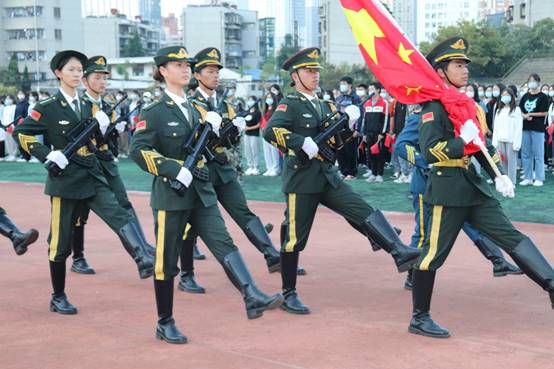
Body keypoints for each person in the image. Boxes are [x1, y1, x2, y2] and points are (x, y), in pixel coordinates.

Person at [129, 46, 282, 344]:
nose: (185, 69)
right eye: (178, 65)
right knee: (166, 261)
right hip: (171, 195)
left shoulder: (198, 108)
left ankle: (251, 295)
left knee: (223, 242)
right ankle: (165, 321)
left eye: (187, 65)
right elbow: (138, 150)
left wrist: (223, 127)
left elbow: (212, 144)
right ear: (163, 71)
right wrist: (172, 169)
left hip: (201, 190)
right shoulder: (155, 111)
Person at [406, 37, 554, 339]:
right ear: (441, 71)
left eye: (464, 65)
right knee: (432, 255)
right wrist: (462, 141)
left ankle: (551, 284)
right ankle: (419, 317)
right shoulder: (433, 106)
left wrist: (499, 174)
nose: (464, 70)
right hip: (446, 191)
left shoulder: (465, 104)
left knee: (512, 237)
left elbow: (480, 148)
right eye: (457, 65)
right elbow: (430, 151)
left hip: (473, 187)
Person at [264, 47, 421, 314]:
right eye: (309, 71)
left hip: (327, 175)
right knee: (294, 238)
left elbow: (336, 142)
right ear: (295, 75)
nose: (314, 75)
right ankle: (288, 293)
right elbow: (271, 131)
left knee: (361, 209)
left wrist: (347, 125)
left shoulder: (324, 104)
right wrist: (301, 142)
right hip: (302, 178)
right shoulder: (289, 103)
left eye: (316, 71)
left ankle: (399, 251)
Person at [13, 50, 155, 315]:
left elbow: (97, 143)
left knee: (117, 212)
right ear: (58, 73)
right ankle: (58, 296)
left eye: (80, 70)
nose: (78, 75)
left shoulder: (89, 106)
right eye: (72, 70)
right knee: (60, 243)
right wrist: (48, 154)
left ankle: (142, 257)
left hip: (91, 172)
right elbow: (22, 133)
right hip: (65, 180)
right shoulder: (48, 107)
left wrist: (104, 129)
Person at [176, 47, 301, 295]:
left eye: (217, 71)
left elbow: (229, 142)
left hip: (222, 169)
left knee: (243, 211)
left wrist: (235, 129)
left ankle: (271, 254)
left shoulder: (225, 104)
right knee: (191, 225)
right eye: (210, 71)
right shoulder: (191, 105)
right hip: (200, 172)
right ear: (198, 75)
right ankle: (186, 275)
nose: (216, 75)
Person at [395, 105, 521, 290]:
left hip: (459, 184)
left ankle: (498, 259)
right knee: (424, 232)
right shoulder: (425, 114)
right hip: (428, 185)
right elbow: (402, 145)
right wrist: (426, 163)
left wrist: (498, 174)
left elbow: (482, 145)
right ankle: (413, 275)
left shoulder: (461, 113)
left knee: (473, 223)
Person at [67, 55, 155, 275]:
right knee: (79, 214)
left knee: (123, 203)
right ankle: (78, 257)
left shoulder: (107, 106)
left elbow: (109, 139)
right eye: (97, 77)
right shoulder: (78, 106)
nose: (102, 82)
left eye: (104, 77)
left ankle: (142, 246)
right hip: (85, 163)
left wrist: (110, 130)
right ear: (85, 81)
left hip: (106, 160)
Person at [519, 73, 549, 187]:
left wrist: (531, 114)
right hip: (525, 127)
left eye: (534, 81)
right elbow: (520, 109)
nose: (532, 83)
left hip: (538, 128)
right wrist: (524, 115)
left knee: (538, 154)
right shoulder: (525, 96)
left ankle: (539, 177)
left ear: (538, 82)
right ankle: (528, 177)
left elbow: (544, 112)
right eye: (530, 80)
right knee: (526, 154)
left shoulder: (543, 97)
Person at [492, 88, 523, 185]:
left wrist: (516, 143)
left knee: (511, 163)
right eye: (503, 95)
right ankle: (504, 182)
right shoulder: (498, 111)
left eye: (507, 95)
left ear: (512, 97)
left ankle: (512, 182)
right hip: (500, 139)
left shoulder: (516, 110)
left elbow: (518, 127)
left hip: (511, 140)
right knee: (502, 162)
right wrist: (495, 142)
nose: (505, 97)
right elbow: (496, 127)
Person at [362, 82, 389, 183]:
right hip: (368, 133)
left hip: (379, 134)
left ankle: (379, 174)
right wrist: (364, 133)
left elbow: (385, 119)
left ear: (378, 90)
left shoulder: (384, 103)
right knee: (370, 153)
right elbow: (365, 119)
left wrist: (382, 133)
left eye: (372, 89)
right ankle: (373, 173)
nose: (370, 91)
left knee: (380, 154)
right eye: (369, 89)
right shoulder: (367, 103)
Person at [335, 76, 360, 179]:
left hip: (351, 130)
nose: (342, 86)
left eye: (344, 83)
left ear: (350, 85)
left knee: (351, 152)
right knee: (341, 151)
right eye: (341, 84)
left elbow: (360, 114)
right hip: (340, 129)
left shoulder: (355, 98)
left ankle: (352, 172)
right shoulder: (339, 98)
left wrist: (357, 130)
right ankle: (343, 171)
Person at [261, 91, 281, 176]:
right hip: (264, 131)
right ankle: (269, 168)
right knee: (267, 151)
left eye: (270, 97)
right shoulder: (264, 109)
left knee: (274, 151)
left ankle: (276, 168)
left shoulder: (276, 109)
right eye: (267, 97)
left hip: (273, 132)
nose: (269, 99)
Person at [243, 96, 262, 175]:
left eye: (251, 100)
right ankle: (250, 166)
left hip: (254, 134)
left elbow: (259, 124)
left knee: (254, 150)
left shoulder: (257, 113)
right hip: (246, 134)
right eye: (248, 100)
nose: (250, 102)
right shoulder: (247, 111)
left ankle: (256, 167)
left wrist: (249, 128)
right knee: (248, 150)